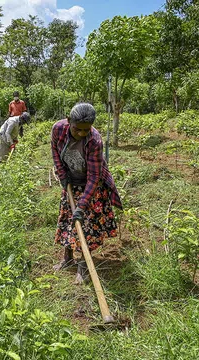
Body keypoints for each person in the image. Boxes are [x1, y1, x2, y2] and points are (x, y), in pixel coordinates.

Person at [51, 103, 122, 284]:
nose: (82, 133)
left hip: (91, 185)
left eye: (86, 130)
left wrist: (82, 205)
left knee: (85, 224)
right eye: (77, 129)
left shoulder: (95, 140)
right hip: (70, 181)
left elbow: (94, 177)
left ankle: (83, 266)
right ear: (68, 121)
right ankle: (67, 259)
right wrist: (62, 175)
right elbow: (55, 153)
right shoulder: (58, 129)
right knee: (68, 219)